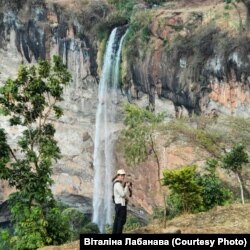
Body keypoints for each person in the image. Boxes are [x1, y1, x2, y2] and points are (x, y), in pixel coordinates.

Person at [112, 169, 132, 234]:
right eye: (121, 175)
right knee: (121, 221)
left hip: (118, 205)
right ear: (118, 175)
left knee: (117, 221)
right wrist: (126, 186)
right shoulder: (117, 184)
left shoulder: (117, 183)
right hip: (121, 205)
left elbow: (121, 193)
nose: (123, 177)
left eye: (123, 175)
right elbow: (123, 194)